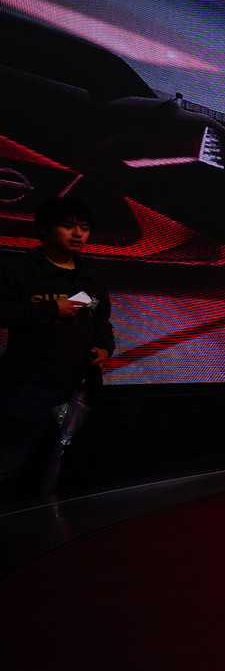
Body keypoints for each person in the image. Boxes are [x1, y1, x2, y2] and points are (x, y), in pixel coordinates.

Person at [0, 196, 115, 502]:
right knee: (10, 463)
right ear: (43, 229)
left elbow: (102, 322)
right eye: (68, 226)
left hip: (79, 389)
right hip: (28, 386)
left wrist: (105, 349)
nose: (78, 234)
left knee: (55, 468)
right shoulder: (17, 270)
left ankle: (39, 525)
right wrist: (50, 308)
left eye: (84, 228)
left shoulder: (92, 278)